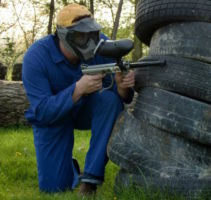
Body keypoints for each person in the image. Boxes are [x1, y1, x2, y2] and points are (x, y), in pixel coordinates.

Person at [22, 3, 135, 195]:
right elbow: (42, 111)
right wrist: (77, 90)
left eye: (92, 34)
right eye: (82, 35)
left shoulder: (102, 46)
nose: (90, 41)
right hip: (52, 119)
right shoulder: (36, 57)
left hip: (85, 111)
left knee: (109, 101)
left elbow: (122, 98)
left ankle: (90, 179)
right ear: (64, 35)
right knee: (54, 188)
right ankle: (71, 169)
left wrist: (124, 88)